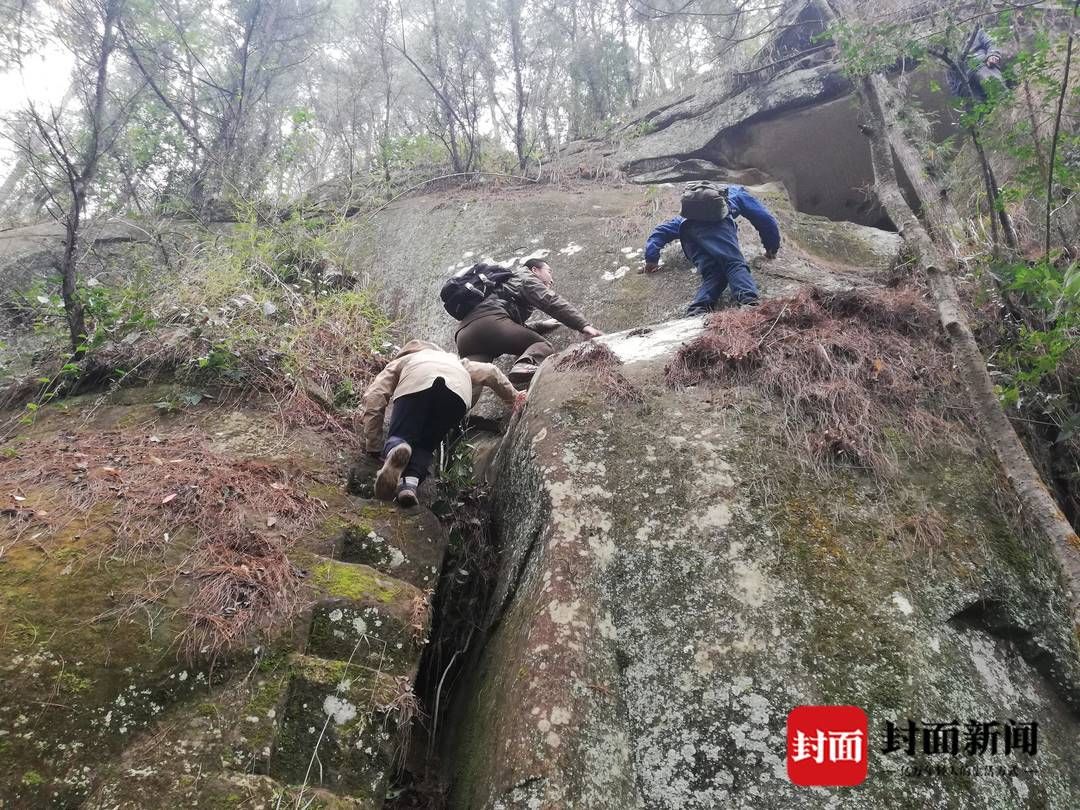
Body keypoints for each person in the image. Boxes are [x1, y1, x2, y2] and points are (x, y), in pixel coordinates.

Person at [358, 340, 525, 507]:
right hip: (457, 395)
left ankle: (397, 447)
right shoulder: (455, 361)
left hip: (418, 381)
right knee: (425, 445)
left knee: (402, 434)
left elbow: (376, 395)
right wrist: (514, 397)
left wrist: (373, 444)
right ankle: (408, 487)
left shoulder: (405, 360)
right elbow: (491, 371)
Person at [454, 258, 603, 385]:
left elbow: (511, 328)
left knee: (472, 378)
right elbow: (551, 301)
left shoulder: (504, 287)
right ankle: (524, 366)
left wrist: (541, 325)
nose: (552, 279)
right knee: (542, 346)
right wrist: (583, 325)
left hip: (464, 336)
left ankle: (461, 412)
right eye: (549, 271)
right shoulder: (525, 276)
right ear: (535, 270)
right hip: (491, 323)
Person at [641, 184, 780, 314]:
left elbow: (661, 231)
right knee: (733, 264)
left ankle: (697, 311)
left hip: (688, 231)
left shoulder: (688, 213)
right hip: (718, 225)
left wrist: (651, 258)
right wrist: (771, 247)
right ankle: (750, 305)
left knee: (714, 273)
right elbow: (765, 219)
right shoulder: (738, 193)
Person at [946, 27, 1004, 102]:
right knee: (976, 105)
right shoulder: (950, 52)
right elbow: (952, 82)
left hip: (982, 65)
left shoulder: (977, 33)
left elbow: (990, 44)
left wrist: (992, 55)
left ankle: (1004, 101)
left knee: (992, 84)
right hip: (966, 81)